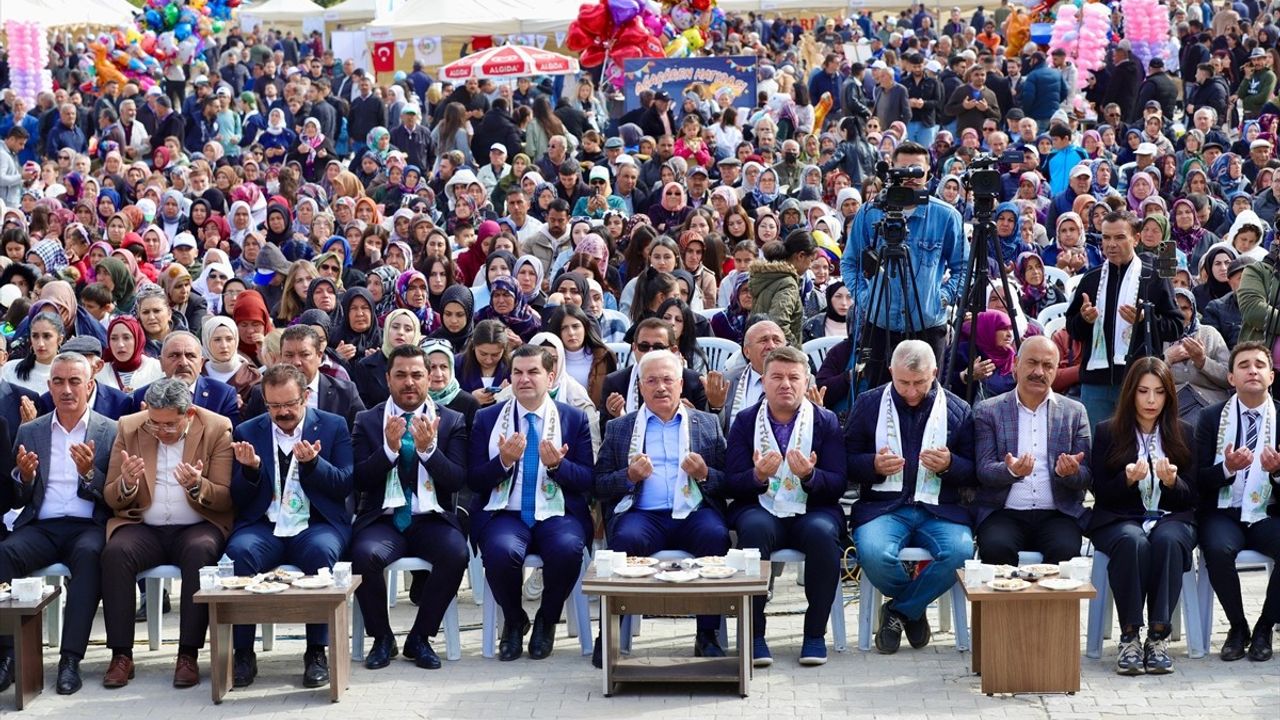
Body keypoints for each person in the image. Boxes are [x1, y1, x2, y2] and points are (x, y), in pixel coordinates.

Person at [593, 350, 730, 664]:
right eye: (651, 381)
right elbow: (598, 484)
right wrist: (628, 476)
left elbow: (729, 483)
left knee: (716, 535)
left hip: (694, 513)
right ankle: (611, 633)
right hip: (643, 514)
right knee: (624, 541)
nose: (660, 387)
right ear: (640, 387)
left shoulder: (706, 424)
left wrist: (705, 474)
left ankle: (707, 634)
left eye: (668, 380)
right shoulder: (620, 428)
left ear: (681, 384)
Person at [225, 363, 354, 689]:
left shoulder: (333, 426)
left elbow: (344, 485)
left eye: (289, 405)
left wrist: (314, 464)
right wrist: (251, 471)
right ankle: (243, 653)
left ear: (306, 397)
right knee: (239, 553)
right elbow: (238, 499)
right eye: (274, 406)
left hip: (315, 522)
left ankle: (316, 651)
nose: (282, 413)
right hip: (264, 525)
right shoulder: (248, 431)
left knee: (321, 552)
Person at [99, 378, 233, 689]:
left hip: (197, 525)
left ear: (189, 414)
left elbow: (226, 497)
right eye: (155, 423)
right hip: (144, 526)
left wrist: (197, 485)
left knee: (201, 552)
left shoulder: (216, 428)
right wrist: (127, 484)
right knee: (115, 553)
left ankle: (187, 654)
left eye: (171, 424)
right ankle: (121, 654)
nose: (163, 431)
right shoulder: (130, 427)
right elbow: (110, 495)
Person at [843, 340, 975, 654]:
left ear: (935, 372)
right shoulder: (869, 403)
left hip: (940, 509)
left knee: (960, 553)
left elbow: (974, 472)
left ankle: (898, 612)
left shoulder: (958, 409)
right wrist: (872, 465)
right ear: (891, 372)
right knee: (873, 553)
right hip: (883, 507)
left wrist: (950, 465)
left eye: (920, 382)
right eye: (903, 383)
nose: (912, 391)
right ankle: (913, 610)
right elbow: (846, 461)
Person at [467, 345, 595, 661]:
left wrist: (558, 467)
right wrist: (504, 462)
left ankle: (547, 619)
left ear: (550, 378)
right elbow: (472, 480)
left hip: (558, 513)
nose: (524, 379)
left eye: (533, 372)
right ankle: (514, 620)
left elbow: (589, 481)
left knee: (567, 549)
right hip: (505, 512)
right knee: (499, 551)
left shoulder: (573, 418)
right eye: (518, 372)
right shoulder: (487, 419)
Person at [0, 352, 117, 695]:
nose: (66, 390)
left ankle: (70, 659)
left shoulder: (108, 431)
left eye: (74, 382)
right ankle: (7, 654)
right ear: (49, 386)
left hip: (87, 524)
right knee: (4, 554)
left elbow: (112, 496)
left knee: (89, 557)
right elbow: (20, 498)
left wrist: (89, 474)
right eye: (59, 382)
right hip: (43, 523)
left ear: (89, 385)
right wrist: (25, 476)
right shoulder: (31, 430)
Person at [725, 346, 846, 667]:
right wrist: (757, 475)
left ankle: (814, 635)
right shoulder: (745, 421)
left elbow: (838, 483)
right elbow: (731, 482)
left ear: (807, 382)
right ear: (763, 381)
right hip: (760, 507)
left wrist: (810, 474)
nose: (785, 385)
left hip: (812, 508)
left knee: (822, 534)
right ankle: (755, 635)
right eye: (776, 377)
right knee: (754, 530)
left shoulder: (826, 421)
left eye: (794, 377)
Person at [351, 345, 469, 671]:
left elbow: (457, 480)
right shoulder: (367, 420)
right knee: (363, 555)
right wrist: (388, 450)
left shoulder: (451, 421)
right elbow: (359, 478)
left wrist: (429, 450)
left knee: (456, 552)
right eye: (400, 375)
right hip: (383, 518)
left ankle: (420, 637)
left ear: (429, 378)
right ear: (387, 379)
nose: (409, 383)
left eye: (417, 375)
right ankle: (382, 637)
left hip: (431, 518)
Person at [1089, 357, 1198, 676]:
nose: (1151, 400)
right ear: (1130, 394)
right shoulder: (1107, 431)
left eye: (1159, 392)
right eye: (1143, 392)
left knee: (1166, 539)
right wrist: (1126, 480)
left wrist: (1172, 483)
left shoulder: (1184, 432)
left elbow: (1193, 496)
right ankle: (1130, 637)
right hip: (1119, 518)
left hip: (1172, 519)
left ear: (1169, 396)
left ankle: (1157, 637)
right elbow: (1101, 493)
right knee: (1131, 540)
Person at [843, 142, 967, 387]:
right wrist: (865, 297)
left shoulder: (946, 216)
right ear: (891, 170)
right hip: (879, 325)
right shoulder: (870, 213)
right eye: (903, 169)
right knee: (878, 396)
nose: (910, 177)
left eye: (916, 170)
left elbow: (963, 267)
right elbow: (850, 262)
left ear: (929, 172)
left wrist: (943, 297)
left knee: (927, 395)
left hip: (928, 325)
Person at [1195, 342, 1280, 663]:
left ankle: (1264, 627)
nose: (1252, 370)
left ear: (1271, 376)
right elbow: (1197, 479)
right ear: (1231, 377)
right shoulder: (1210, 417)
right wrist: (1227, 467)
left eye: (1260, 365)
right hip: (1223, 511)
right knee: (1217, 549)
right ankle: (1237, 626)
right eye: (1244, 365)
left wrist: (1278, 472)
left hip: (1267, 513)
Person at [972, 337, 1092, 565]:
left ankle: (1051, 604)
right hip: (1004, 511)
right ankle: (1005, 604)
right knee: (996, 548)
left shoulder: (1074, 412)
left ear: (1057, 371)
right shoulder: (989, 411)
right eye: (1032, 363)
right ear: (1016, 364)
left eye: (1047, 366)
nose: (1039, 372)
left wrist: (1069, 473)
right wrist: (1011, 471)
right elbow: (983, 470)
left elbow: (1086, 476)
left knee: (1065, 551)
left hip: (1058, 513)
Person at [1065, 211, 1183, 431]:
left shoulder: (1153, 278)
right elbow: (1072, 329)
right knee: (1096, 448)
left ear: (1135, 239)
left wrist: (1145, 319)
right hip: (1096, 381)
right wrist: (1084, 319)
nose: (1111, 244)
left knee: (1136, 446)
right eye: (1106, 238)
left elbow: (1175, 327)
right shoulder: (1091, 279)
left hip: (1139, 379)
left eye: (1119, 237)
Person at [242, 325, 366, 429]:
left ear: (319, 356)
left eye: (304, 354)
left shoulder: (345, 393)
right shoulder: (261, 394)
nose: (296, 362)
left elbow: (359, 438)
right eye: (289, 355)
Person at [600, 318, 710, 426]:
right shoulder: (615, 382)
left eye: (658, 347)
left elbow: (709, 434)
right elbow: (605, 436)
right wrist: (617, 418)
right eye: (644, 346)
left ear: (673, 351)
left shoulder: (694, 382)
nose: (650, 352)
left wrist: (694, 418)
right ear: (634, 348)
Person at [130, 332, 240, 427]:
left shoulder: (223, 395)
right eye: (174, 355)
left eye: (190, 356)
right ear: (161, 363)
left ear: (201, 363)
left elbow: (228, 439)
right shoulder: (143, 396)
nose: (183, 362)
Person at [750, 230, 814, 348]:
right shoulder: (787, 283)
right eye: (811, 260)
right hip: (779, 356)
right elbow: (779, 322)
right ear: (800, 256)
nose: (810, 266)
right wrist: (795, 350)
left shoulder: (771, 276)